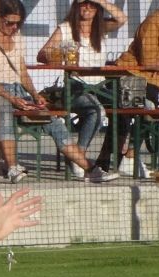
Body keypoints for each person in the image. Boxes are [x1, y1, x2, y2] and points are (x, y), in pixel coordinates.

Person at [0, 0, 117, 183]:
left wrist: (35, 95)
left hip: (18, 91)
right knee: (4, 114)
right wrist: (12, 98)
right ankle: (12, 167)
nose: (14, 27)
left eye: (18, 23)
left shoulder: (17, 37)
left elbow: (22, 73)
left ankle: (90, 169)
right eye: (9, 23)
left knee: (53, 121)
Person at [36, 0, 127, 178]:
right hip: (76, 85)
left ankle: (111, 159)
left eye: (92, 5)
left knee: (127, 108)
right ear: (76, 6)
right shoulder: (66, 28)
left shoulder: (101, 28)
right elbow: (41, 55)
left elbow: (122, 19)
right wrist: (57, 54)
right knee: (96, 111)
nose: (87, 8)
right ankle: (79, 157)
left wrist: (100, 1)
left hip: (100, 85)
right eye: (83, 4)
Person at [113, 1, 159, 176]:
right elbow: (147, 62)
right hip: (132, 76)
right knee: (144, 111)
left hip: (154, 81)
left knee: (149, 111)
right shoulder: (154, 22)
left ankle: (128, 157)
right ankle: (127, 158)